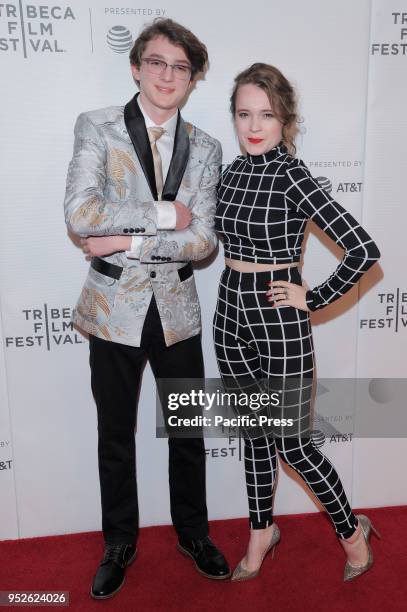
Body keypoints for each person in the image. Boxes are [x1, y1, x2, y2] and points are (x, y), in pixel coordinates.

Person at [64, 18, 230, 599]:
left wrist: (125, 239)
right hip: (112, 309)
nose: (167, 75)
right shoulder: (98, 127)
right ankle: (120, 542)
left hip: (177, 309)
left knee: (187, 429)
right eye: (157, 62)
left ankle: (193, 533)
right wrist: (163, 216)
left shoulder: (207, 147)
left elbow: (204, 241)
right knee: (116, 431)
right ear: (136, 66)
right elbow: (82, 216)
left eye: (180, 67)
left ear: (193, 79)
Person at [213, 63, 381, 582]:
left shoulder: (293, 176)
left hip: (279, 318)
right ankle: (261, 530)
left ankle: (353, 533)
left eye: (266, 114)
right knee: (254, 434)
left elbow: (362, 251)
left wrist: (314, 298)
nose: (254, 125)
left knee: (292, 443)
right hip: (229, 311)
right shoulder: (234, 171)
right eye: (244, 113)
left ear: (286, 119)